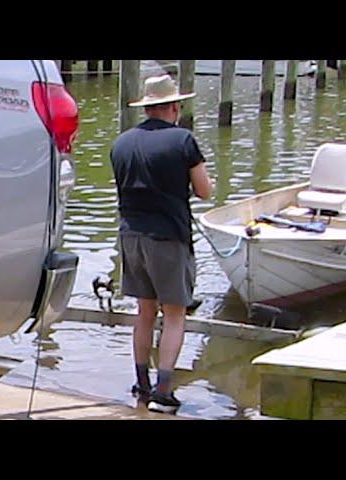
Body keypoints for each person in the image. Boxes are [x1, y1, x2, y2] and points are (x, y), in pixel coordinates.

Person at [110, 75, 212, 413]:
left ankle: (141, 384)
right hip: (168, 237)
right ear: (172, 107)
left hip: (130, 235)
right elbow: (204, 190)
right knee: (174, 313)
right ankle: (163, 391)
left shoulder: (121, 143)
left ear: (146, 107)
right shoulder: (184, 140)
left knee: (145, 311)